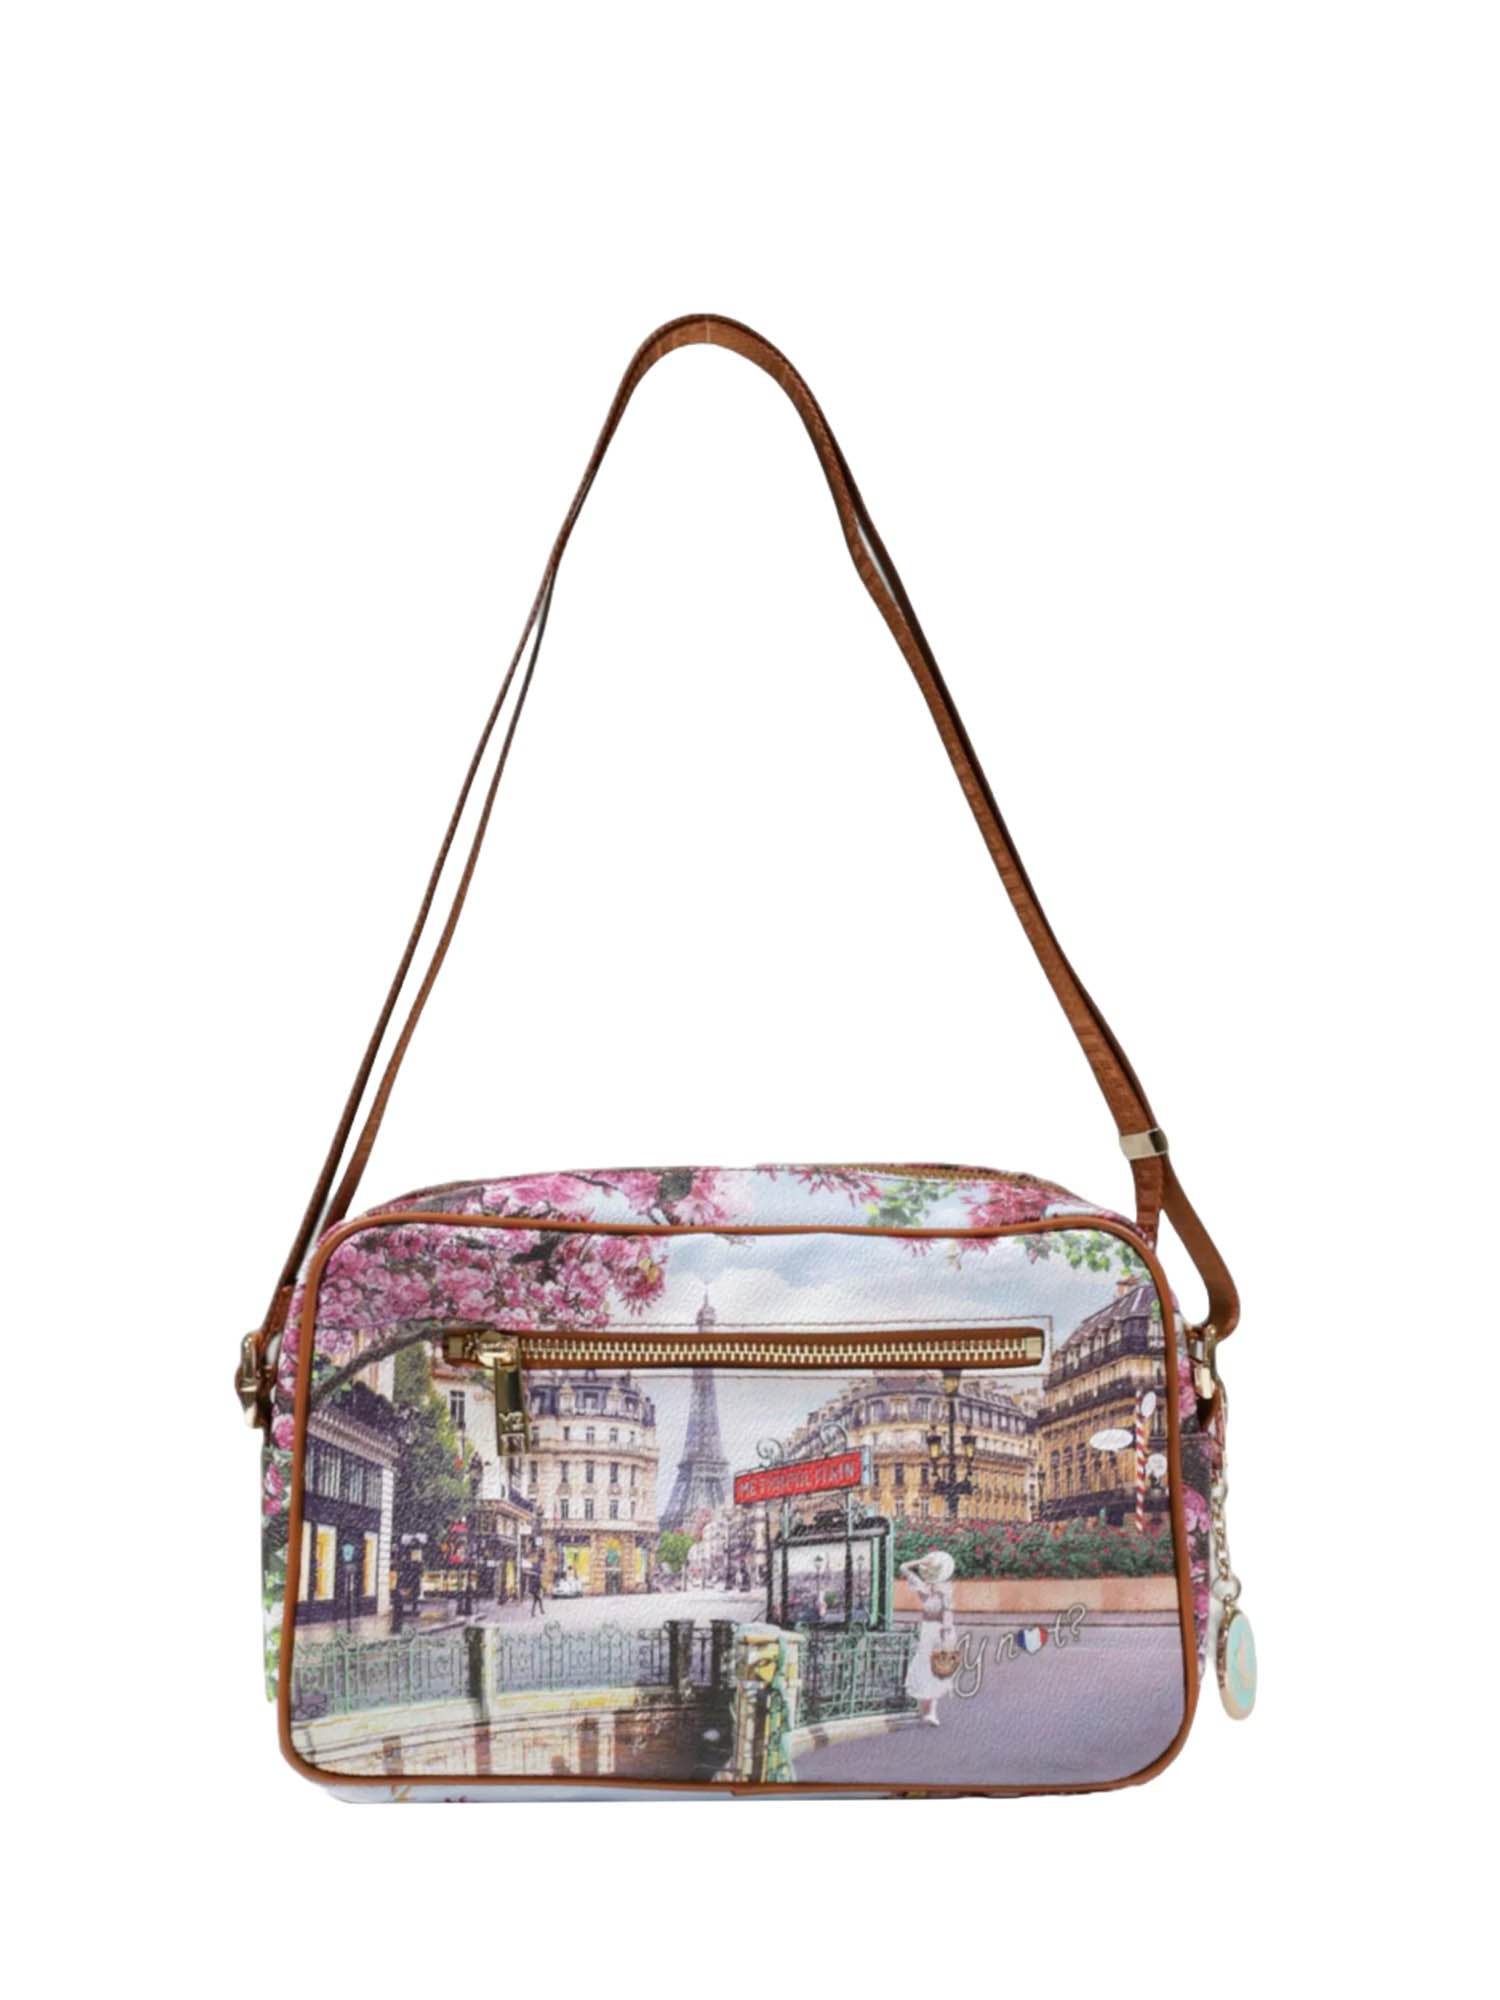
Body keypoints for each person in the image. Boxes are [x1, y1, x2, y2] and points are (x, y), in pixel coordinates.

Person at [900, 1550, 957, 1725]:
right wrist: (921, 1561)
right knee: (923, 1667)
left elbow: (948, 1614)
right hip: (926, 1630)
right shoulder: (922, 1587)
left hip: (941, 1631)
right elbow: (903, 1567)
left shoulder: (945, 1591)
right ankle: (925, 1708)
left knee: (937, 1668)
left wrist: (946, 1637)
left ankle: (932, 1711)